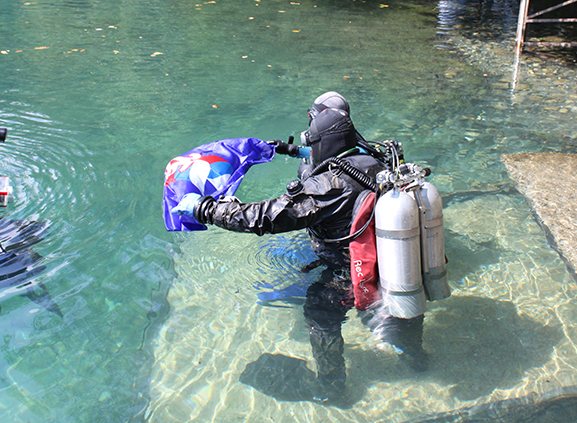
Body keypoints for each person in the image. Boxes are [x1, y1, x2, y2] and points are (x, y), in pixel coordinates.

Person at [172, 94, 427, 403]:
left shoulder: (326, 189)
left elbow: (263, 217)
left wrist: (205, 209)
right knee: (395, 311)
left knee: (320, 307)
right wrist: (293, 150)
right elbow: (331, 160)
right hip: (398, 260)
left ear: (324, 142)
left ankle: (331, 386)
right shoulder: (378, 161)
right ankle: (415, 355)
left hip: (350, 271)